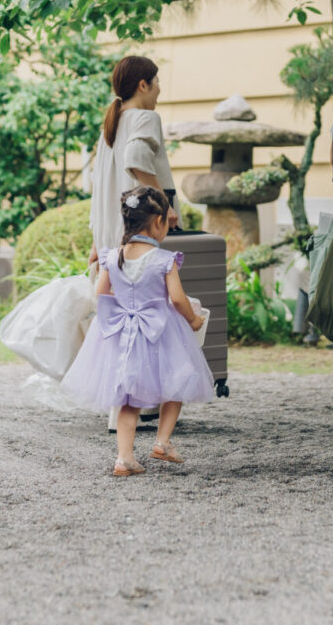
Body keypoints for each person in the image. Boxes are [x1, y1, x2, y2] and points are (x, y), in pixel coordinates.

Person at [61, 186, 211, 476]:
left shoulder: (112, 256)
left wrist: (123, 302)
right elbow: (178, 299)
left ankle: (124, 458)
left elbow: (100, 292)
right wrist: (193, 320)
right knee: (176, 381)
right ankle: (162, 441)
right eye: (168, 221)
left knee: (127, 397)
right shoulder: (164, 259)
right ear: (157, 222)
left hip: (123, 332)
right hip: (160, 333)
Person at [89, 55, 180, 258]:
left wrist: (96, 244)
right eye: (157, 83)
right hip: (141, 239)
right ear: (143, 85)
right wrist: (164, 205)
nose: (159, 90)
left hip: (110, 244)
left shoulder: (110, 127)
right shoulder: (146, 118)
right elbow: (136, 158)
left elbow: (98, 186)